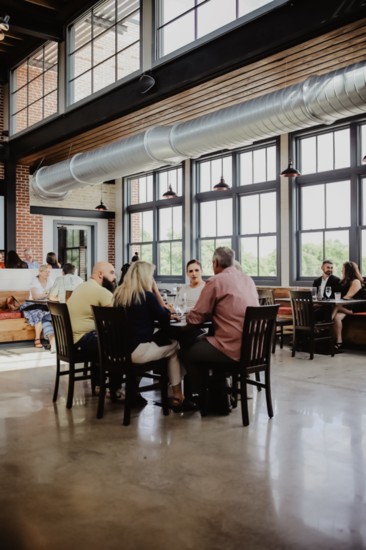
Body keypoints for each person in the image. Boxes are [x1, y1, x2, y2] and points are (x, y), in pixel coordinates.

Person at [182, 247, 259, 412]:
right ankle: (219, 395)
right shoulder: (248, 280)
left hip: (231, 348)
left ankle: (205, 398)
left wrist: (186, 316)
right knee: (205, 344)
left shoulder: (216, 281)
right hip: (253, 348)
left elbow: (196, 318)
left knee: (188, 352)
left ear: (215, 263)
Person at [113, 260, 196, 411]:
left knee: (160, 343)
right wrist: (155, 291)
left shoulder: (119, 294)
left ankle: (132, 391)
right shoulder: (146, 296)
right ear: (146, 277)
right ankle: (178, 396)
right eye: (151, 276)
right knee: (175, 346)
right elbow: (164, 316)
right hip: (137, 352)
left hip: (118, 351)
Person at [67, 261, 117, 359]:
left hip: (72, 341)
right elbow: (116, 319)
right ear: (100, 274)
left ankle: (99, 373)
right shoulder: (101, 291)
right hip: (84, 341)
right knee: (123, 340)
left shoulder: (81, 286)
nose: (114, 277)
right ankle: (120, 372)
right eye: (111, 273)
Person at [20, 264, 56, 351]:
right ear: (40, 272)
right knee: (39, 314)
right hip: (31, 305)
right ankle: (37, 339)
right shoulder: (34, 281)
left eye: (48, 272)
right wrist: (48, 294)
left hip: (44, 305)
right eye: (45, 272)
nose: (47, 274)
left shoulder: (50, 281)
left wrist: (49, 296)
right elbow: (36, 297)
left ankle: (52, 339)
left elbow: (53, 294)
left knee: (51, 313)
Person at [332, 261, 364, 352]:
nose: (342, 270)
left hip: (354, 306)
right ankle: (339, 342)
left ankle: (324, 325)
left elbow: (348, 297)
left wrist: (337, 301)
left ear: (348, 270)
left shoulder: (356, 281)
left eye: (343, 268)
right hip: (345, 305)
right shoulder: (344, 281)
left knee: (336, 307)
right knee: (337, 317)